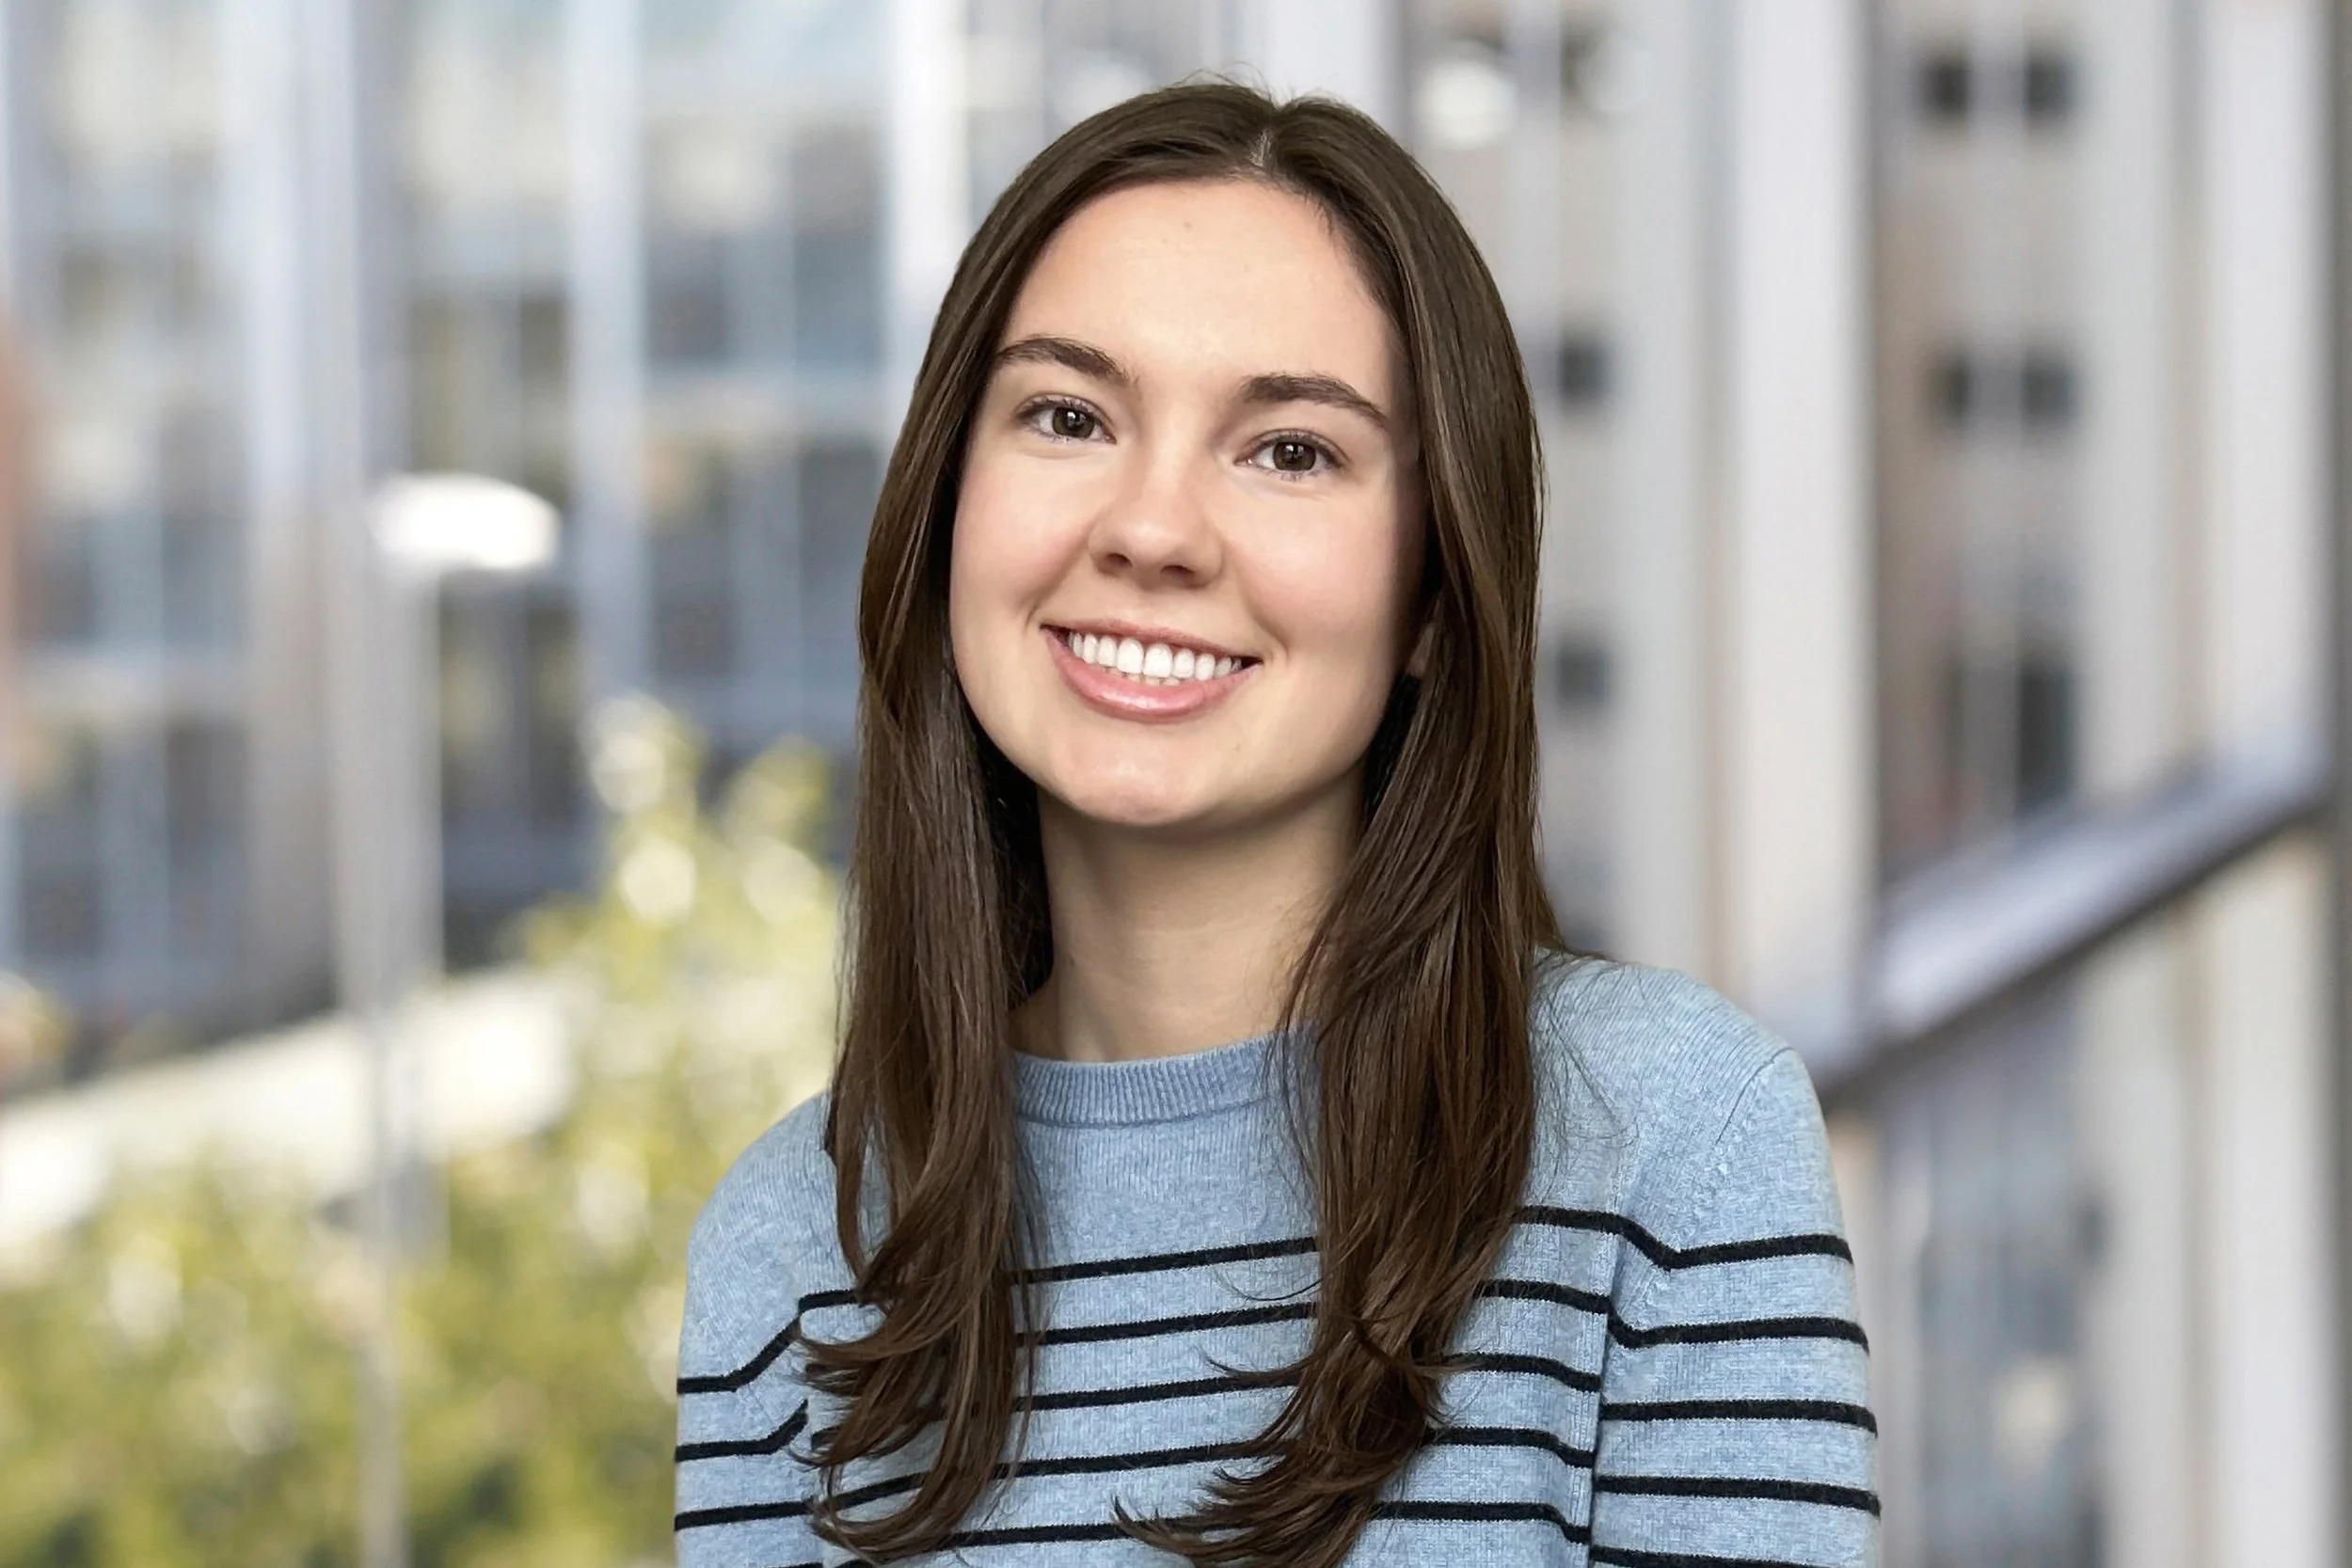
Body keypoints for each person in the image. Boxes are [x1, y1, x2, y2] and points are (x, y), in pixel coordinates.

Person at [674, 82, 1875, 1568]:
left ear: (1434, 591)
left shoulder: (1675, 1142)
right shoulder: (796, 1244)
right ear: (944, 514)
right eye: (1067, 415)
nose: (1155, 529)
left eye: (1291, 448)